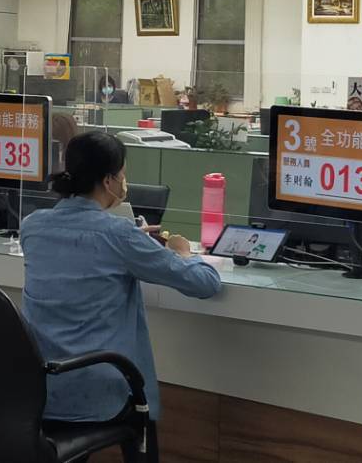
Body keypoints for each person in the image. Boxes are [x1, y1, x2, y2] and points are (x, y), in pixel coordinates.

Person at [20, 132, 222, 441]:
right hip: (97, 389)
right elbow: (205, 283)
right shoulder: (119, 235)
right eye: (122, 174)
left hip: (38, 387)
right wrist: (183, 253)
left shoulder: (32, 226)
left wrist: (135, 239)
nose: (124, 182)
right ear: (108, 181)